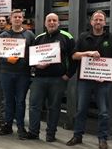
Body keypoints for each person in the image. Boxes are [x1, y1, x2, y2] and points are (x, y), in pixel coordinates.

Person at [67, 10, 112, 149]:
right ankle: (77, 135)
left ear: (105, 22)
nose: (98, 22)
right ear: (91, 22)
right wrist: (87, 53)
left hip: (103, 82)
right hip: (85, 80)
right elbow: (74, 56)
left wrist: (107, 75)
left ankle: (102, 138)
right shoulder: (84, 37)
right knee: (81, 109)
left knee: (104, 111)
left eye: (101, 19)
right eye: (95, 19)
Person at [27, 13, 76, 142]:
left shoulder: (67, 37)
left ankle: (51, 134)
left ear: (59, 23)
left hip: (57, 79)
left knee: (54, 107)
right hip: (39, 79)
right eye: (49, 20)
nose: (52, 22)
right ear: (45, 23)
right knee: (34, 106)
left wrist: (68, 75)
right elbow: (31, 58)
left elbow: (74, 58)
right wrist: (37, 65)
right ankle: (33, 132)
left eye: (54, 20)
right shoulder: (39, 38)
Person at [0, 9, 35, 139]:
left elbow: (35, 53)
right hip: (6, 73)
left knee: (20, 101)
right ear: (11, 19)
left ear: (23, 19)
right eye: (15, 17)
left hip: (23, 74)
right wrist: (6, 59)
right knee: (8, 100)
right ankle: (8, 125)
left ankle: (20, 127)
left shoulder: (29, 35)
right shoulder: (3, 35)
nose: (18, 19)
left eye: (20, 17)